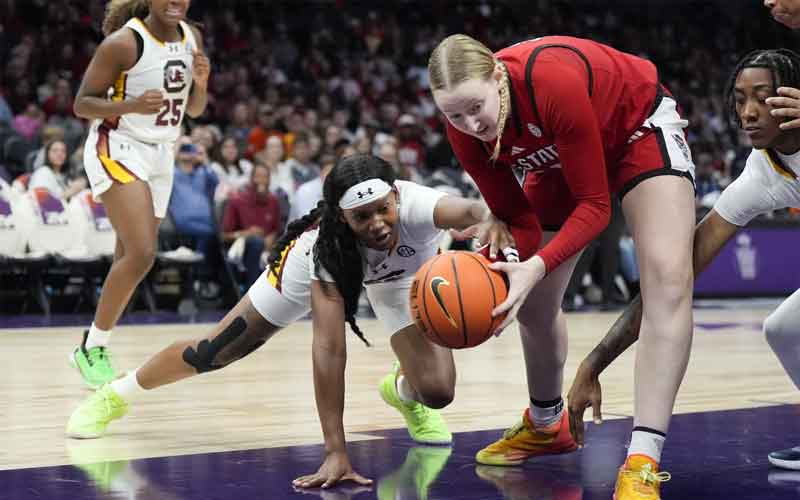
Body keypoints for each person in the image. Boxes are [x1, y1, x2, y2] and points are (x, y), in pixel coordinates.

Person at [66, 154, 535, 489]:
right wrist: (336, 448)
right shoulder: (324, 249)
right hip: (304, 273)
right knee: (211, 352)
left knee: (438, 391)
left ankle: (402, 392)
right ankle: (116, 394)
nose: (376, 223)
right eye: (361, 216)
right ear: (341, 217)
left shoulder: (417, 205)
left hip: (403, 282)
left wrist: (491, 217)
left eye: (382, 209)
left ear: (397, 196)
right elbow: (329, 350)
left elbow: (473, 210)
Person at [429, 34, 696, 499]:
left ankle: (642, 461)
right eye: (454, 115)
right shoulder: (465, 132)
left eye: (476, 107)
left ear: (497, 76)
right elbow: (520, 223)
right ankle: (547, 424)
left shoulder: (548, 80)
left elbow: (595, 206)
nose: (471, 124)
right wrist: (494, 270)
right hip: (558, 153)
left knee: (667, 281)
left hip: (635, 126)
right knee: (529, 301)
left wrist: (536, 264)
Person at [567, 48, 800, 471]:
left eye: (761, 97)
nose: (748, 112)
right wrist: (594, 361)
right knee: (784, 329)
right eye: (739, 99)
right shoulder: (762, 173)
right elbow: (673, 279)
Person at [70, 0, 209, 389]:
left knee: (129, 257)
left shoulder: (191, 37)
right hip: (119, 144)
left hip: (161, 152)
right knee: (143, 252)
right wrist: (130, 104)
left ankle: (94, 344)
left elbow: (194, 110)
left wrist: (201, 85)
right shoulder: (124, 43)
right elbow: (82, 103)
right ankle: (91, 348)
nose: (176, 1)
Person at [221, 161, 282, 288]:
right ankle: (251, 290)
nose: (261, 180)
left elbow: (277, 230)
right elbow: (224, 236)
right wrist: (246, 234)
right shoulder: (237, 201)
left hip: (268, 249)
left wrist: (271, 238)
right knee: (256, 242)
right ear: (251, 179)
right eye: (258, 176)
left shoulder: (274, 201)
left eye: (265, 177)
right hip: (241, 250)